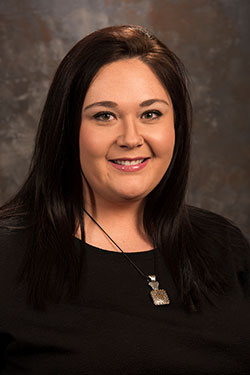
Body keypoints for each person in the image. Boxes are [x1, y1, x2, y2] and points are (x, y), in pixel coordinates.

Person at [0, 25, 249, 375]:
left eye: (151, 114)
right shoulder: (7, 255)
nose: (131, 138)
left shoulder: (226, 245)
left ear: (176, 125)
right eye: (105, 115)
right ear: (67, 128)